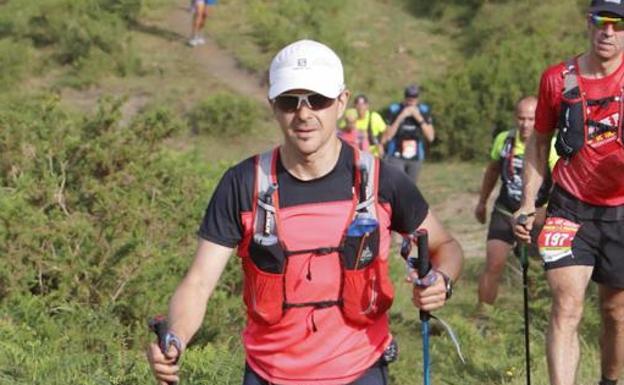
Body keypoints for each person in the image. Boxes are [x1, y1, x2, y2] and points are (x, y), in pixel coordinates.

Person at [146, 39, 464, 385]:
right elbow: (198, 283)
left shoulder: (380, 179)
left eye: (318, 99)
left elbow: (445, 245)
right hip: (268, 375)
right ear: (273, 106)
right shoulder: (243, 184)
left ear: (341, 102)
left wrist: (441, 281)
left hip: (361, 371)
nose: (304, 113)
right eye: (289, 101)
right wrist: (175, 336)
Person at [514, 2, 624, 385]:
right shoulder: (557, 79)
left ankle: (609, 381)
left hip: (620, 211)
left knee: (614, 311)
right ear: (588, 24)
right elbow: (538, 142)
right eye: (600, 22)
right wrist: (528, 202)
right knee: (566, 307)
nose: (607, 32)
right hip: (569, 208)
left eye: (617, 23)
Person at [475, 96, 558, 306]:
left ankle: (535, 316)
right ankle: (483, 317)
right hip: (505, 209)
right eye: (521, 118)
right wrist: (482, 202)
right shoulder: (504, 139)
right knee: (493, 263)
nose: (525, 124)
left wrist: (546, 214)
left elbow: (559, 183)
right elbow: (493, 171)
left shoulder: (551, 144)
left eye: (531, 119)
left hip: (536, 214)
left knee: (536, 271)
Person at [381, 84, 435, 184]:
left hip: (416, 156)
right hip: (396, 155)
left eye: (414, 99)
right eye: (409, 99)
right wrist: (401, 117)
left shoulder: (424, 110)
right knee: (398, 184)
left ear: (418, 99)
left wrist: (418, 117)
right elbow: (387, 137)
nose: (411, 102)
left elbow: (430, 137)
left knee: (411, 187)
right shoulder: (394, 109)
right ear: (405, 97)